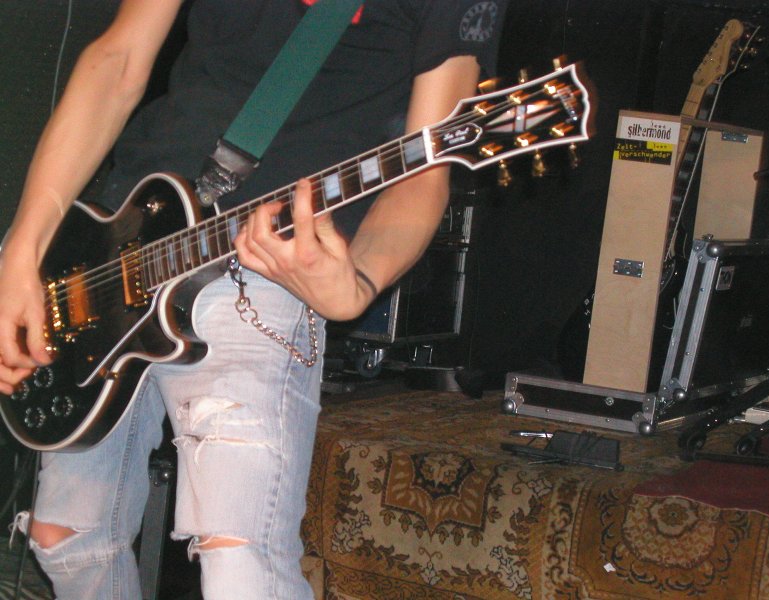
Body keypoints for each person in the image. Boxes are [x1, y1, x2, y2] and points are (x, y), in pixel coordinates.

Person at [0, 0, 506, 598]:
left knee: (239, 560)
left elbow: (425, 167)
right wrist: (23, 249)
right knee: (66, 537)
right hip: (117, 242)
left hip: (265, 267)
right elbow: (118, 58)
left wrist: (361, 283)